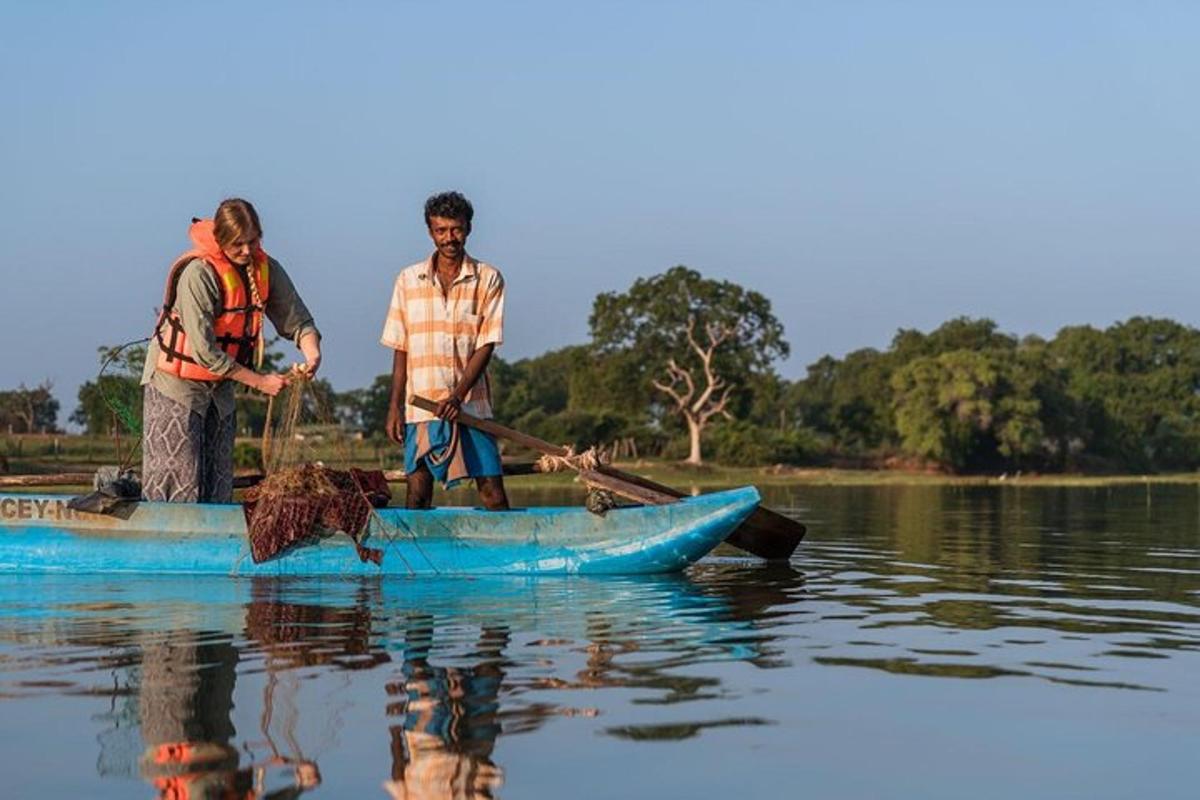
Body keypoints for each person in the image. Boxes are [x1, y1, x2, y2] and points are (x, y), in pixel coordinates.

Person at [141, 198, 321, 503]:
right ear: (221, 240)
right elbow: (205, 352)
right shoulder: (199, 274)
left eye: (253, 241)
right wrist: (261, 382)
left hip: (220, 389)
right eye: (238, 244)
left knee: (218, 481)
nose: (247, 251)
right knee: (177, 481)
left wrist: (312, 353)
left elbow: (298, 320)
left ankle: (213, 547)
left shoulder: (267, 269)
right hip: (176, 387)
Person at [381, 191, 509, 510]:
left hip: (471, 407)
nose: (449, 238)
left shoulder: (488, 279)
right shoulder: (408, 280)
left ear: (468, 229)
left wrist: (457, 395)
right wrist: (394, 406)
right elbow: (401, 347)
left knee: (492, 491)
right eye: (441, 231)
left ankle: (504, 551)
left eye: (456, 229)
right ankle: (418, 556)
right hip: (421, 406)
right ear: (430, 232)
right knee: (418, 492)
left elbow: (486, 344)